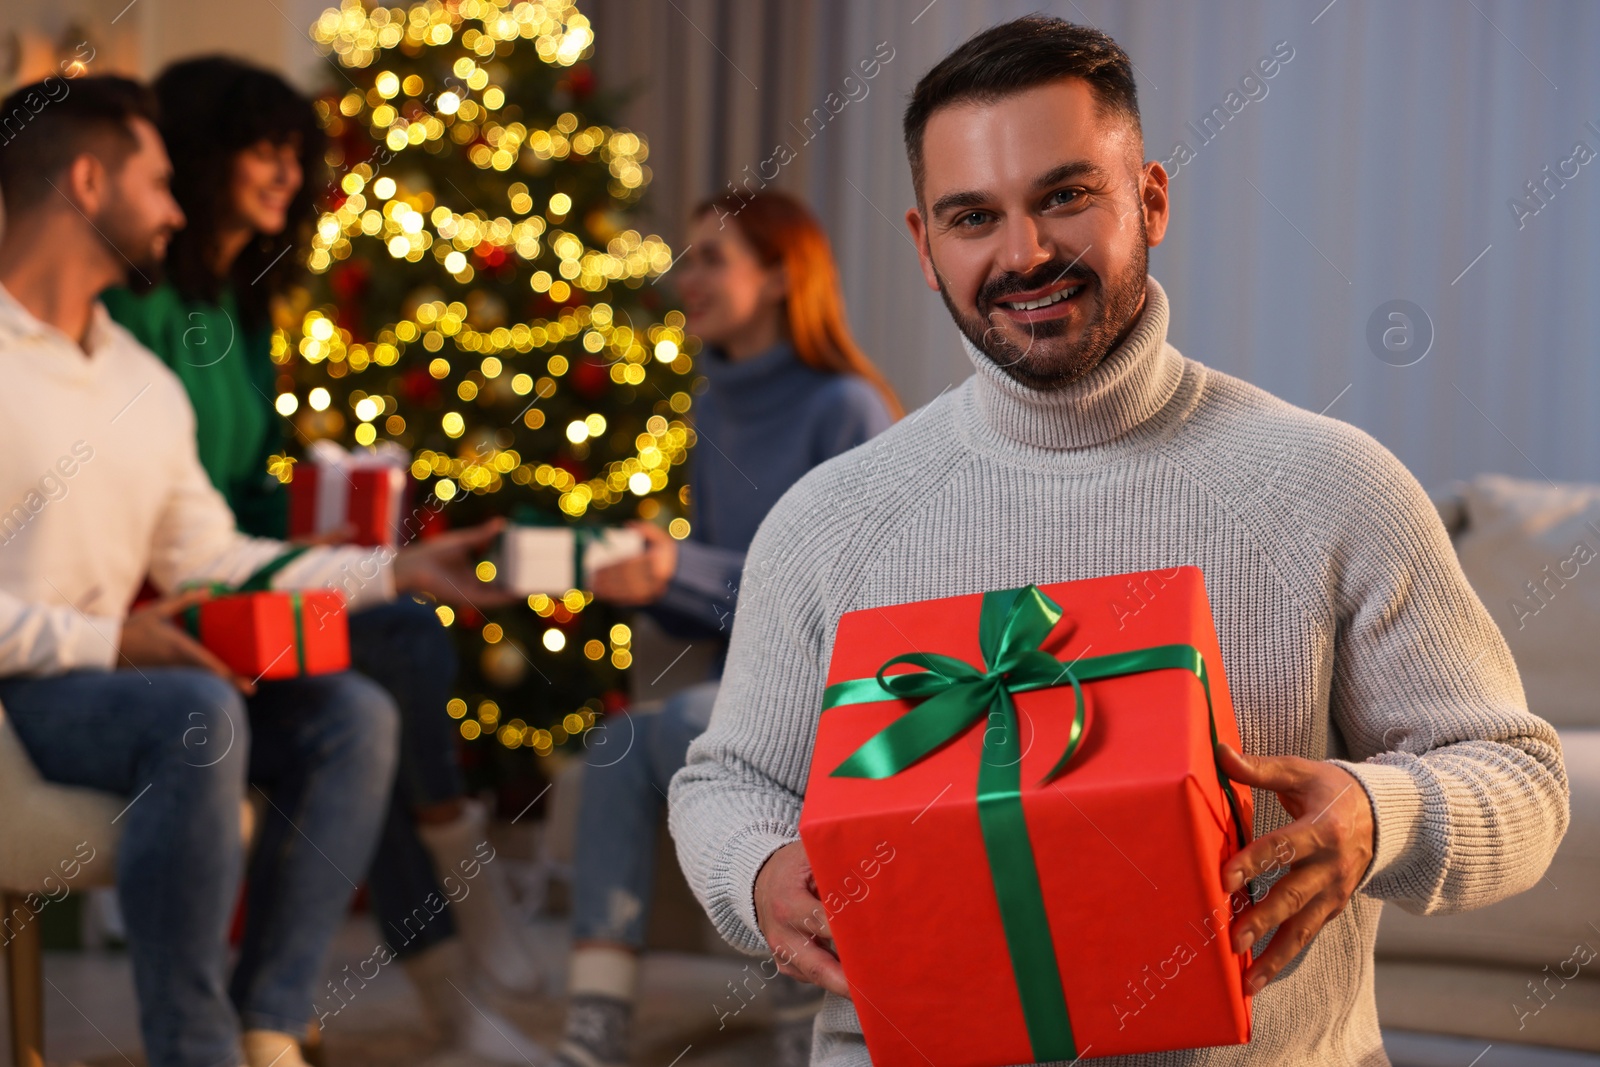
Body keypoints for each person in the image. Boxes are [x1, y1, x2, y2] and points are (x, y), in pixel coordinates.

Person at [667, 17, 1569, 1067]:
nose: (1024, 253)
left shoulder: (1331, 481)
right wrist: (759, 868)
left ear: (1148, 198)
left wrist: (1379, 812)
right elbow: (724, 781)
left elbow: (1525, 781)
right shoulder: (829, 519)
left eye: (1064, 195)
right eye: (973, 216)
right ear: (923, 245)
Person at [0, 76, 501, 1067]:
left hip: (116, 676)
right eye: (157, 184)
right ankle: (195, 1046)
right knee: (199, 705)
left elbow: (210, 555)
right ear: (89, 182)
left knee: (353, 714)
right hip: (27, 691)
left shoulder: (137, 381)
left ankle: (264, 1024)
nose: (178, 210)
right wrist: (113, 640)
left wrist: (394, 571)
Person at [552, 189, 900, 1067]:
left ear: (781, 274)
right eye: (687, 256)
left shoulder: (846, 406)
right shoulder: (712, 409)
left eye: (711, 256)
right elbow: (725, 599)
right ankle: (595, 1018)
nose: (685, 275)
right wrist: (647, 581)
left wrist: (682, 566)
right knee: (617, 744)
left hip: (843, 688)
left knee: (668, 727)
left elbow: (843, 600)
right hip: (743, 682)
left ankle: (801, 990)